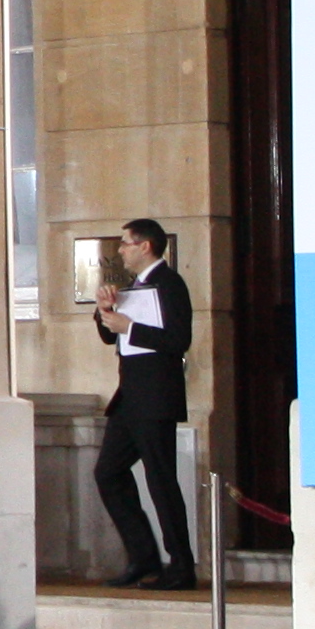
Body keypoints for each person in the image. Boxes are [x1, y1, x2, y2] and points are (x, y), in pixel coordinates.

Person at [92, 218, 197, 589]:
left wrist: (129, 327)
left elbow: (178, 339)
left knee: (161, 480)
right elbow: (113, 337)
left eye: (126, 243)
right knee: (108, 473)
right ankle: (143, 556)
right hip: (129, 398)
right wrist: (105, 312)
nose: (120, 250)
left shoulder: (169, 284)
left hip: (156, 399)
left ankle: (182, 566)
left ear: (146, 246)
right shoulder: (134, 286)